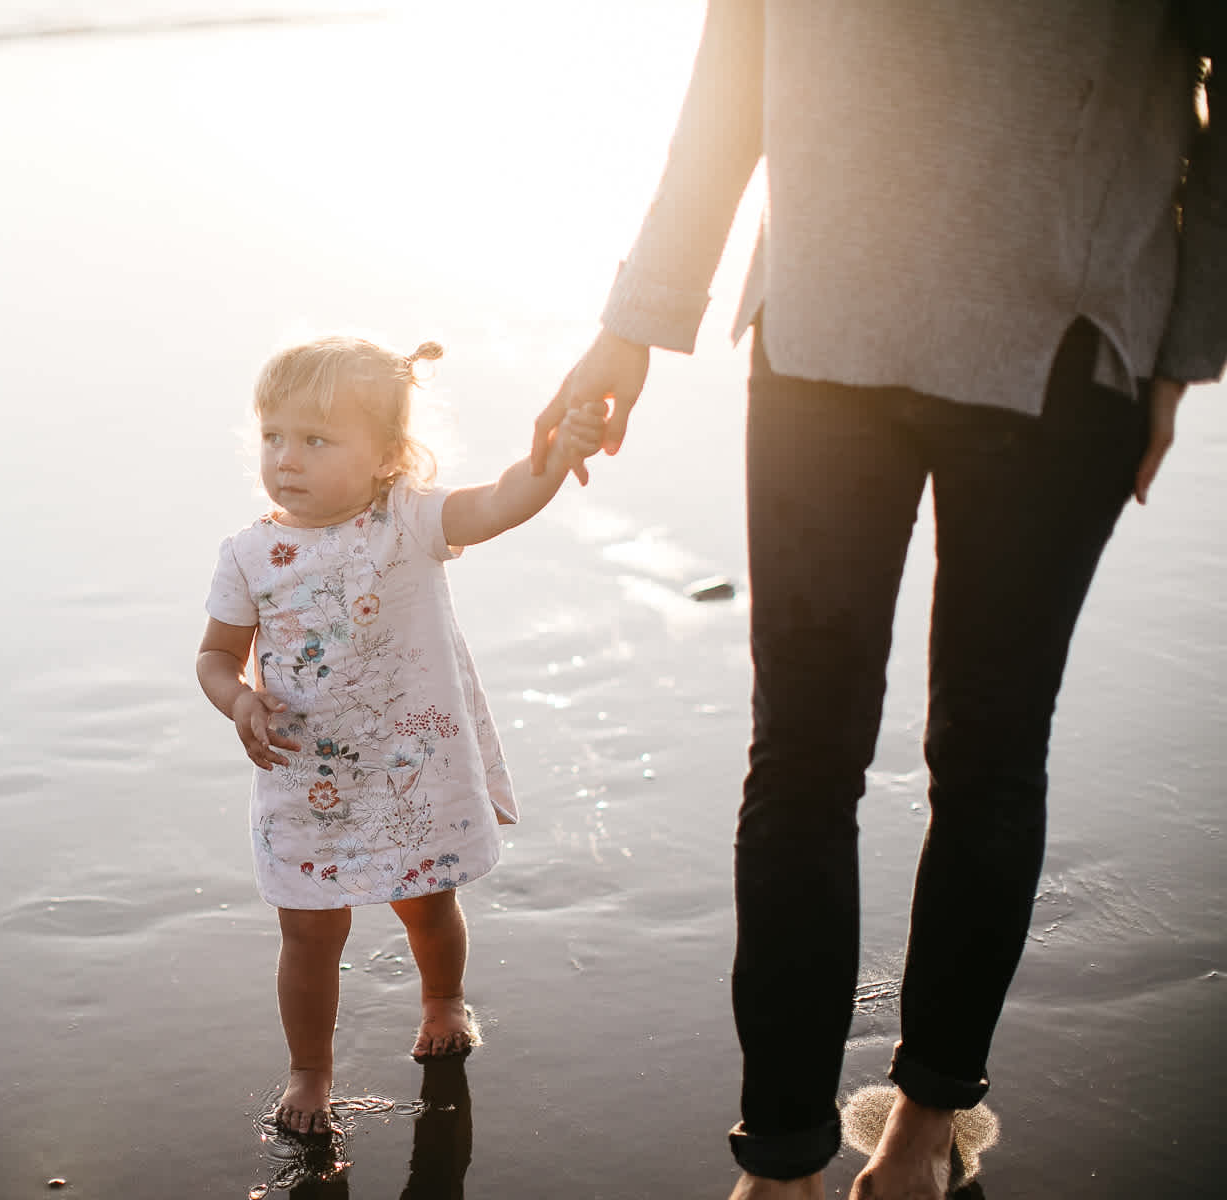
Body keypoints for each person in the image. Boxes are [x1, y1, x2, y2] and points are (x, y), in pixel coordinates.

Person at [530, 2, 1224, 1198]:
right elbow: (733, 73)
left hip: (1062, 348)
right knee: (807, 754)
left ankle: (923, 1127)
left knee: (985, 752)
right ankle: (788, 1152)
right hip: (821, 335)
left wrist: (1181, 345)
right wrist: (634, 321)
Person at [198, 335, 604, 1136]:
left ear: (387, 455)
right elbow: (216, 656)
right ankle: (310, 1072)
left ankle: (443, 998)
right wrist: (238, 701)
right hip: (304, 776)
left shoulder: (408, 521)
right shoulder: (249, 554)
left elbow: (499, 502)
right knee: (308, 930)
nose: (288, 458)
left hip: (408, 768)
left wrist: (555, 460)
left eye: (316, 440)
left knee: (426, 899)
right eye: (274, 436)